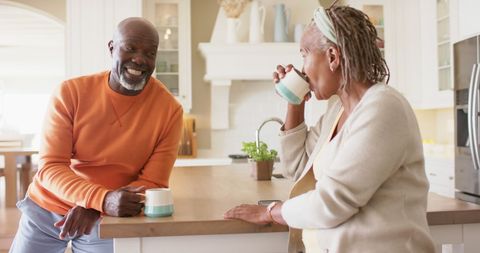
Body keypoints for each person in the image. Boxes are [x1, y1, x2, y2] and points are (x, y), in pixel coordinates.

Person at [224, 3, 435, 253]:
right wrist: (295, 101)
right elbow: (297, 168)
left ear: (333, 57)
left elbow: (332, 202)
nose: (302, 68)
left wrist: (271, 212)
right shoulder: (338, 111)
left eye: (304, 54)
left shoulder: (384, 108)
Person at [9, 17, 183, 253]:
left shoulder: (169, 110)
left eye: (149, 52)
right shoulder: (71, 93)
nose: (140, 59)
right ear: (112, 48)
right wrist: (100, 199)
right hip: (47, 208)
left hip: (109, 218)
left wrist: (98, 206)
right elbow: (51, 167)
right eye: (130, 48)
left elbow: (154, 183)